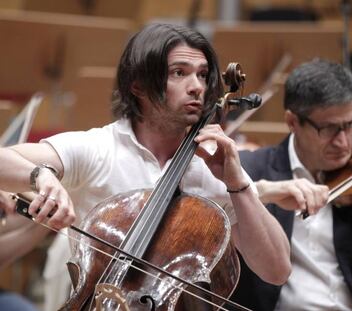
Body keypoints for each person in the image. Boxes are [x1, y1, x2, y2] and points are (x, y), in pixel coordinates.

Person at [0, 23, 329, 309]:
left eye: (202, 74)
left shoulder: (210, 169)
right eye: (179, 73)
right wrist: (40, 175)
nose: (197, 86)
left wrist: (237, 182)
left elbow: (276, 269)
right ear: (139, 85)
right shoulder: (98, 149)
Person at [231, 59, 352, 311]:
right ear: (292, 122)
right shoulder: (251, 171)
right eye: (330, 128)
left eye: (350, 125)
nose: (343, 142)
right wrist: (262, 192)